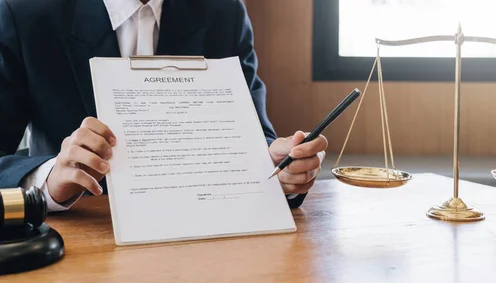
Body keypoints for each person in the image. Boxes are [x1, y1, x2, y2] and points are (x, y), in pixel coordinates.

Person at [0, 0, 327, 211]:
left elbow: (257, 139)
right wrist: (48, 179)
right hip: (81, 231)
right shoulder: (24, 11)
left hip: (209, 224)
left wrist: (280, 167)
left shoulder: (223, 12)